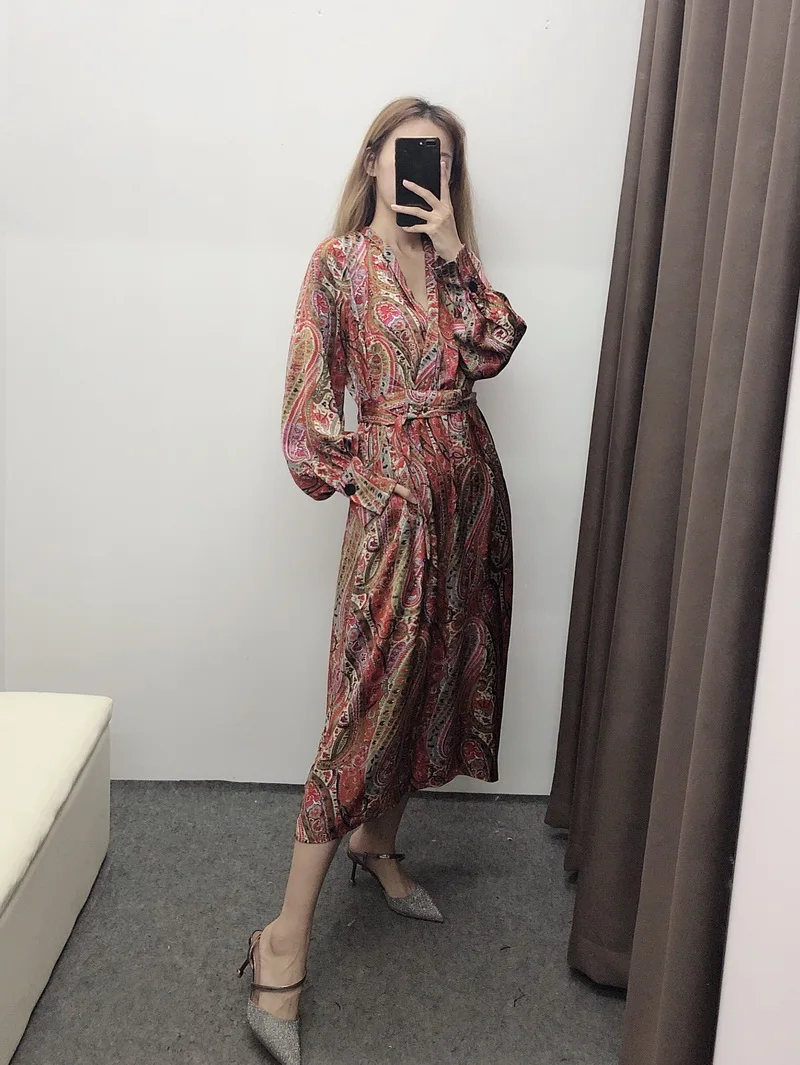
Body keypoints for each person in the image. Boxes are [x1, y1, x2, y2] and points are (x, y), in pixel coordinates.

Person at [238, 96, 527, 1064]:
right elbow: (307, 403)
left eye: (440, 162)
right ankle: (282, 940)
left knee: (440, 675)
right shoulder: (338, 264)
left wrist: (453, 251)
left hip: (470, 496)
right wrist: (367, 475)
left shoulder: (446, 266)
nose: (424, 175)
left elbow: (492, 347)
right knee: (366, 704)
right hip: (396, 508)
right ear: (372, 163)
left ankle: (378, 846)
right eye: (410, 157)